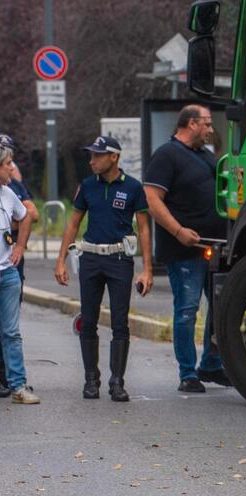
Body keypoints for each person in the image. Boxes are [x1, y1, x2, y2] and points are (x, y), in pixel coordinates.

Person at [54, 136, 153, 402]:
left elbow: (144, 227)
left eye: (97, 156)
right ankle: (90, 379)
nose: (92, 161)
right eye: (91, 156)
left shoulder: (133, 187)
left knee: (120, 322)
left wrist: (147, 270)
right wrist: (61, 259)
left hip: (120, 260)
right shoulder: (87, 186)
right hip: (91, 259)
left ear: (114, 157)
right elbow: (73, 224)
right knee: (88, 319)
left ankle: (117, 381)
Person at [144, 105, 230, 393]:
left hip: (214, 246)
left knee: (219, 307)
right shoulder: (167, 155)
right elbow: (152, 198)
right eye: (206, 123)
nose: (210, 129)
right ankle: (187, 372)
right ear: (191, 124)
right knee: (187, 309)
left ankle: (211, 364)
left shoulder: (205, 156)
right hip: (183, 249)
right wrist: (178, 231)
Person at [0, 134, 37, 398]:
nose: (11, 168)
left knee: (11, 332)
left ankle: (18, 386)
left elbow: (26, 217)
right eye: (7, 164)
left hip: (7, 274)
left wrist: (20, 247)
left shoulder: (8, 194)